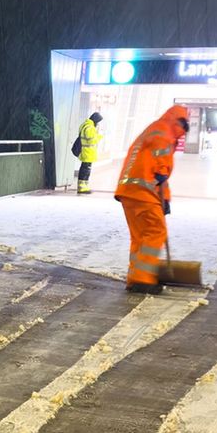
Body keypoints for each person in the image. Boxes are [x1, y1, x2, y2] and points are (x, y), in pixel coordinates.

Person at [114, 105, 189, 295]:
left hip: (129, 191)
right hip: (143, 192)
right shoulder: (164, 131)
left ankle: (135, 277)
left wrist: (166, 199)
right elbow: (160, 158)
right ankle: (142, 279)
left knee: (140, 236)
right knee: (156, 230)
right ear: (179, 123)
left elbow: (154, 169)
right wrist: (163, 170)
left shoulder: (156, 128)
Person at [75, 112, 104, 195]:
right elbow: (91, 140)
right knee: (85, 170)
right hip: (87, 152)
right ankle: (82, 188)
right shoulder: (90, 127)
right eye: (98, 122)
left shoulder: (85, 125)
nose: (98, 124)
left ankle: (84, 187)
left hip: (86, 151)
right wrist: (99, 136)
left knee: (85, 169)